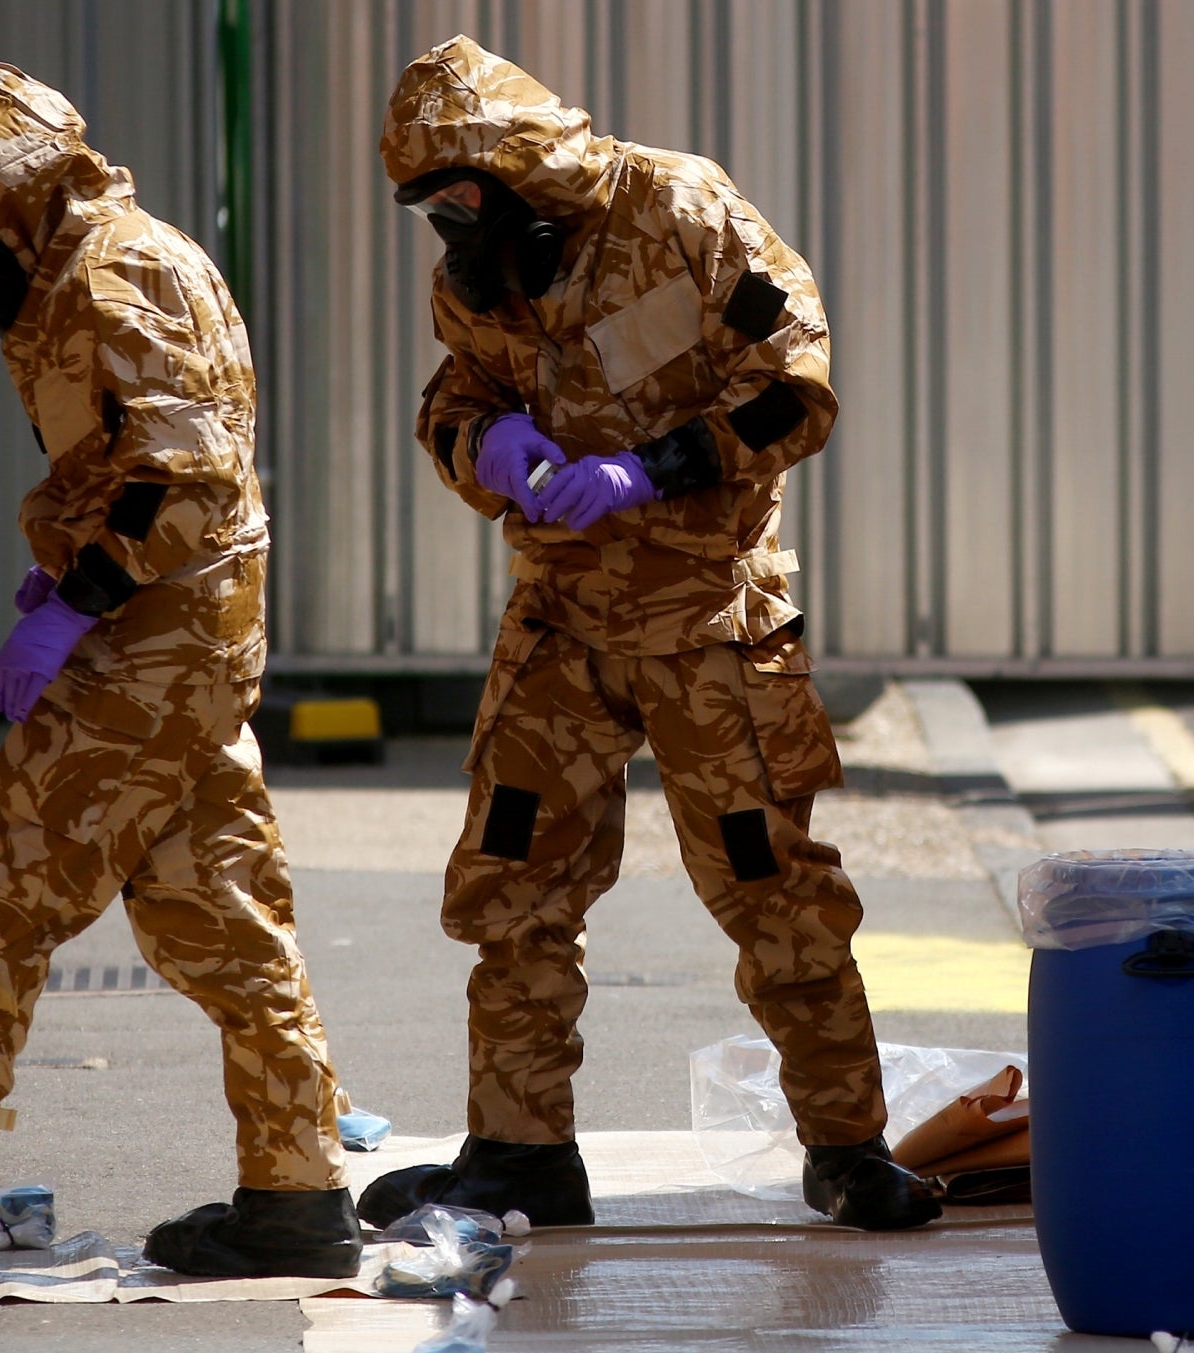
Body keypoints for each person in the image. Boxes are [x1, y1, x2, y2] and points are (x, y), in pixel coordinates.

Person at [0, 60, 360, 1278]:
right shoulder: (73, 272)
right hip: (172, 634)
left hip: (151, 644)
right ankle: (296, 1197)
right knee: (222, 924)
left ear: (14, 191)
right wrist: (74, 571)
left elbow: (186, 480)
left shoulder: (114, 272)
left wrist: (81, 599)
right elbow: (143, 461)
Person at [359, 35, 940, 1233]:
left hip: (707, 622)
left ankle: (846, 1146)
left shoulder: (679, 208)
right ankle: (520, 1156)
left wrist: (653, 468)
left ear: (523, 171)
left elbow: (795, 380)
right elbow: (453, 405)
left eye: (461, 199)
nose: (449, 231)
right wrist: (488, 449)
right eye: (429, 212)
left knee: (770, 887)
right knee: (513, 885)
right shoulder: (478, 278)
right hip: (561, 622)